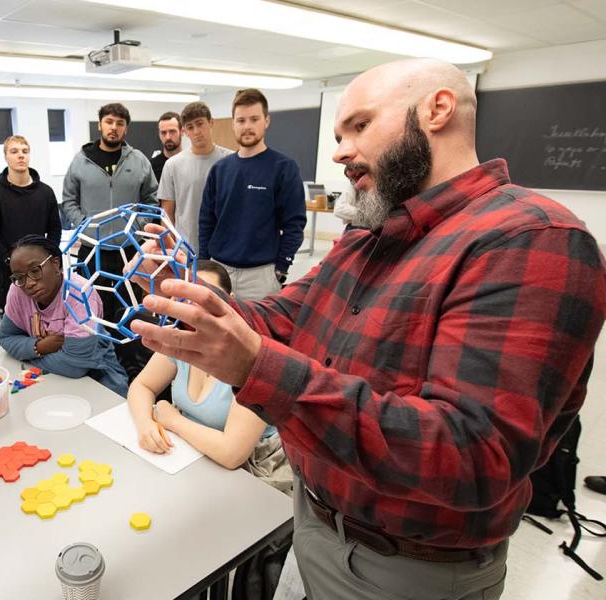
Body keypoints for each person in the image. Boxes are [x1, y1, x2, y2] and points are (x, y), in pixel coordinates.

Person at [129, 59, 606, 600]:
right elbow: (285, 317)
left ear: (437, 109)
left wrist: (256, 367)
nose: (338, 152)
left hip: (404, 567)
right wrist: (189, 297)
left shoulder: (530, 240)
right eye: (337, 135)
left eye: (358, 126)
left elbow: (473, 456)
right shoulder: (373, 232)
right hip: (312, 519)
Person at [126, 260, 289, 492]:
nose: (196, 311)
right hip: (189, 457)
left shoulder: (252, 354)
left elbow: (232, 453)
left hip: (251, 474)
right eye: (187, 300)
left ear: (231, 300)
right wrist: (145, 426)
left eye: (207, 298)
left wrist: (173, 420)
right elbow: (142, 385)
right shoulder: (180, 338)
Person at [199, 88, 306, 300]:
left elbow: (294, 224)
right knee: (214, 331)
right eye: (241, 120)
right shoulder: (220, 170)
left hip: (261, 277)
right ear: (233, 123)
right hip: (219, 271)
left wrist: (281, 268)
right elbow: (206, 220)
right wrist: (204, 264)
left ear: (266, 121)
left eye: (254, 119)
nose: (247, 126)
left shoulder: (284, 168)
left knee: (256, 332)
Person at [61, 102, 158, 331]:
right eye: (109, 122)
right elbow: (68, 200)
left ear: (126, 129)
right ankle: (97, 359)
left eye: (120, 123)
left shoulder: (139, 161)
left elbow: (151, 202)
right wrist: (85, 226)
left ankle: (127, 361)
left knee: (129, 311)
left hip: (129, 252)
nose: (114, 127)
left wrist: (136, 228)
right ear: (100, 125)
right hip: (92, 252)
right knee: (93, 311)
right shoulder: (81, 160)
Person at [0, 235, 128, 397]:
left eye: (35, 270)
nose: (28, 283)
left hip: (98, 382)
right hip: (50, 383)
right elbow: (5, 338)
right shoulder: (18, 290)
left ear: (55, 264)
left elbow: (75, 368)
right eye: (19, 277)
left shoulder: (79, 293)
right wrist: (40, 346)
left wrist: (27, 354)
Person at [0, 135, 62, 310]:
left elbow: (55, 229)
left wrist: (48, 257)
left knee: (46, 314)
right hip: (9, 271)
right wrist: (9, 260)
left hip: (41, 269)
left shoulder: (45, 192)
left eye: (25, 151)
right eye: (14, 151)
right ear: (5, 157)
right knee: (17, 318)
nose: (20, 155)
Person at [158, 102, 233, 253]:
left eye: (200, 124)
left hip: (226, 249)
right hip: (187, 251)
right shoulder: (173, 165)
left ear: (211, 123)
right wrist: (170, 252)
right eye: (190, 127)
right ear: (184, 131)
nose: (197, 131)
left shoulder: (231, 161)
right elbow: (167, 215)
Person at [150, 111, 182, 183]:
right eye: (163, 132)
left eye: (172, 131)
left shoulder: (191, 163)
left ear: (182, 131)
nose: (168, 137)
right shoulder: (151, 167)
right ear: (159, 134)